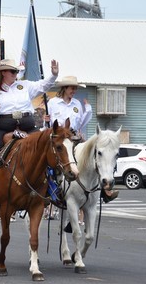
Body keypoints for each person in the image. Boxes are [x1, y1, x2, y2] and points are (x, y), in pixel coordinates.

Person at [0, 58, 59, 200]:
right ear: (3, 73)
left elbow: (43, 86)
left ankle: (51, 183)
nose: (16, 73)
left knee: (49, 145)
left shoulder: (24, 86)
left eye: (16, 71)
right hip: (0, 125)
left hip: (27, 124)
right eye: (13, 71)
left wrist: (54, 75)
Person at [45, 75, 118, 203]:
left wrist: (88, 111)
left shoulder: (77, 104)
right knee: (51, 164)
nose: (74, 91)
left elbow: (81, 123)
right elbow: (48, 124)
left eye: (75, 89)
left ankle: (105, 190)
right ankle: (49, 190)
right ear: (64, 88)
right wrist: (45, 121)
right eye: (71, 88)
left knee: (94, 157)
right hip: (59, 139)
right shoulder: (52, 103)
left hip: (74, 137)